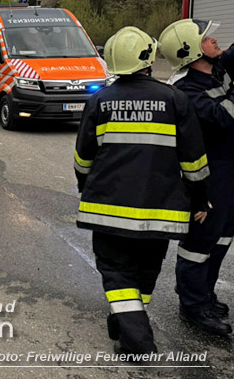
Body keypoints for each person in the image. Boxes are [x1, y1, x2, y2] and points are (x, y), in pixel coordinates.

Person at [74, 26, 209, 354]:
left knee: (116, 272)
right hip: (160, 209)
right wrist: (199, 199)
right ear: (148, 58)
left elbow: (83, 158)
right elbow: (194, 161)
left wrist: (85, 187)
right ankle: (126, 321)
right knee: (146, 269)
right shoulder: (175, 100)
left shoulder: (99, 101)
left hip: (109, 210)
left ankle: (136, 338)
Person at [159, 18, 234, 335]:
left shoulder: (214, 70)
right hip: (207, 178)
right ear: (191, 51)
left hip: (228, 173)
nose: (214, 40)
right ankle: (192, 305)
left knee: (223, 237)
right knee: (200, 242)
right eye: (206, 38)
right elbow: (225, 117)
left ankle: (204, 293)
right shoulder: (187, 91)